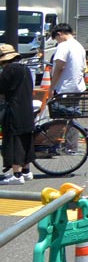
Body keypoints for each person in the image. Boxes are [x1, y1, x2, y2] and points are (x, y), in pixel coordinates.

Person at [0, 44, 35, 184]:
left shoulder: (10, 70)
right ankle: (26, 171)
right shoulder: (25, 68)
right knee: (26, 140)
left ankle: (17, 175)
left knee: (15, 141)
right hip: (27, 108)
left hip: (14, 109)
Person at [49, 23, 86, 95]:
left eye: (57, 39)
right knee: (75, 106)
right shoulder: (79, 46)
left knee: (61, 106)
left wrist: (52, 87)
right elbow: (84, 68)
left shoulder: (63, 45)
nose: (58, 42)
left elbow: (60, 67)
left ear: (59, 34)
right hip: (78, 88)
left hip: (64, 90)